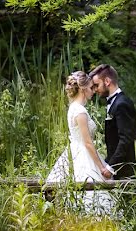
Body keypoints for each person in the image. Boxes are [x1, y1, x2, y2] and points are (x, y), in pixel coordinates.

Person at [46, 70, 115, 215]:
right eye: (91, 88)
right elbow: (88, 143)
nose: (93, 91)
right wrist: (102, 167)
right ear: (83, 89)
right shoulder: (80, 112)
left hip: (74, 151)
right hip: (83, 154)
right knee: (90, 189)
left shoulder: (73, 108)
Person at [89, 63, 136, 180]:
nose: (95, 90)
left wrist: (111, 167)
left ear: (107, 81)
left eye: (96, 85)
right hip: (121, 169)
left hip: (130, 170)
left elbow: (126, 139)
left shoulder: (122, 104)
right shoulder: (114, 102)